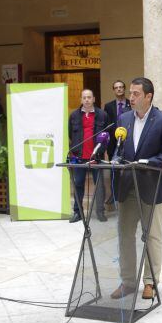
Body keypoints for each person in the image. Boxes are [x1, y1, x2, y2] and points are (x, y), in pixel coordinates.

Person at [110, 77, 162, 300]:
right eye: (130, 93)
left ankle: (150, 282)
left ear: (148, 96)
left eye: (136, 93)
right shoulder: (124, 118)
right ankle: (128, 282)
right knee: (125, 235)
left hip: (152, 186)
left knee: (152, 236)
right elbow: (118, 149)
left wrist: (148, 163)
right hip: (127, 186)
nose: (131, 97)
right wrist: (115, 159)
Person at [68, 89, 109, 223]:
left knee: (99, 185)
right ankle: (77, 212)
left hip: (96, 156)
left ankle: (100, 212)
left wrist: (101, 150)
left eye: (89, 97)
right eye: (84, 97)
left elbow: (106, 135)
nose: (86, 100)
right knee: (78, 183)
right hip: (79, 157)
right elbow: (71, 135)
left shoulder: (102, 115)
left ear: (94, 99)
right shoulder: (74, 115)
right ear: (81, 100)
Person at [104, 80, 131, 160]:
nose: (118, 89)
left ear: (124, 89)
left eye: (121, 87)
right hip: (112, 142)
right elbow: (107, 124)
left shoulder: (131, 104)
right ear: (114, 90)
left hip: (127, 139)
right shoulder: (108, 106)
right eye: (116, 88)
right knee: (114, 169)